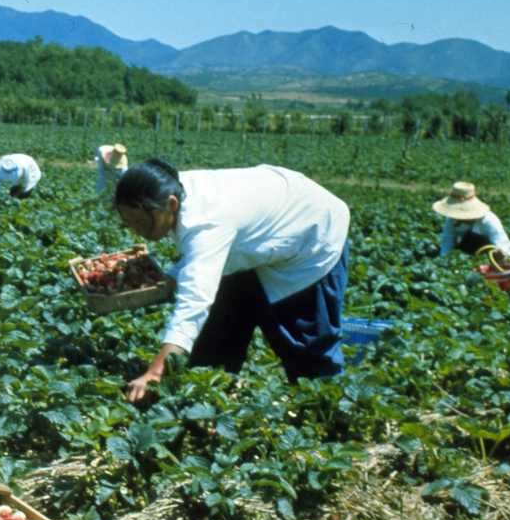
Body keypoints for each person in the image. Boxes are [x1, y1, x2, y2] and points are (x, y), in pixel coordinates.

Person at [116, 158, 350, 403]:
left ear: (171, 204)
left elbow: (195, 298)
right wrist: (171, 278)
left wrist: (155, 372)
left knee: (307, 343)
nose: (137, 231)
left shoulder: (205, 221)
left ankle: (329, 412)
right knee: (220, 324)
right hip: (272, 220)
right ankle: (209, 395)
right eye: (129, 222)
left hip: (313, 233)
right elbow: (209, 254)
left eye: (141, 221)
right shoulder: (166, 187)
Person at [434, 181, 510, 257]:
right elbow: (448, 241)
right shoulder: (451, 219)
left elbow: (501, 242)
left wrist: (501, 254)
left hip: (489, 254)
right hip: (467, 250)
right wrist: (445, 258)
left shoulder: (488, 220)